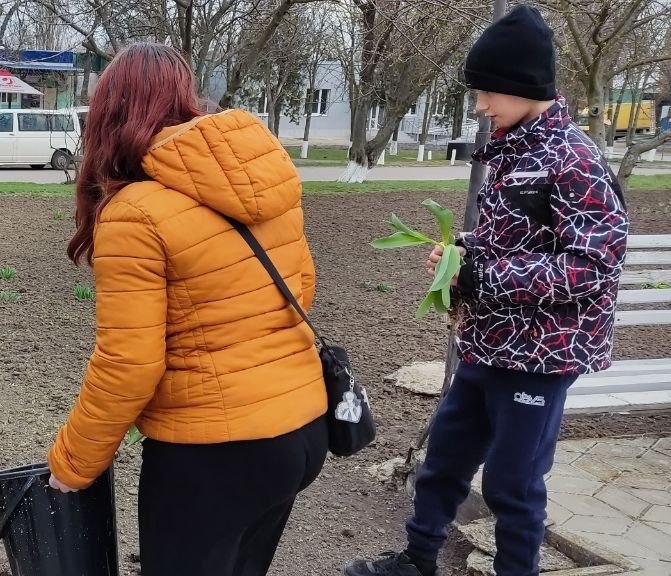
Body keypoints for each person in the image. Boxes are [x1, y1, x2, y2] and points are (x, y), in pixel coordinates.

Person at [343, 7, 627, 576]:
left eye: (488, 92)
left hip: (541, 357)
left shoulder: (576, 160)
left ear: (526, 86)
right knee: (443, 462)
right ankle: (418, 560)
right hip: (487, 342)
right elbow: (517, 236)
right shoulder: (515, 145)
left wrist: (486, 277)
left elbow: (592, 266)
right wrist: (464, 252)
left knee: (512, 484)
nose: (480, 106)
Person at [45, 42, 328, 576]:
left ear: (110, 113)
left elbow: (129, 364)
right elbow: (302, 286)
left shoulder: (135, 212)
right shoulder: (261, 181)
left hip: (215, 454)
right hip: (301, 429)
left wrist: (72, 462)